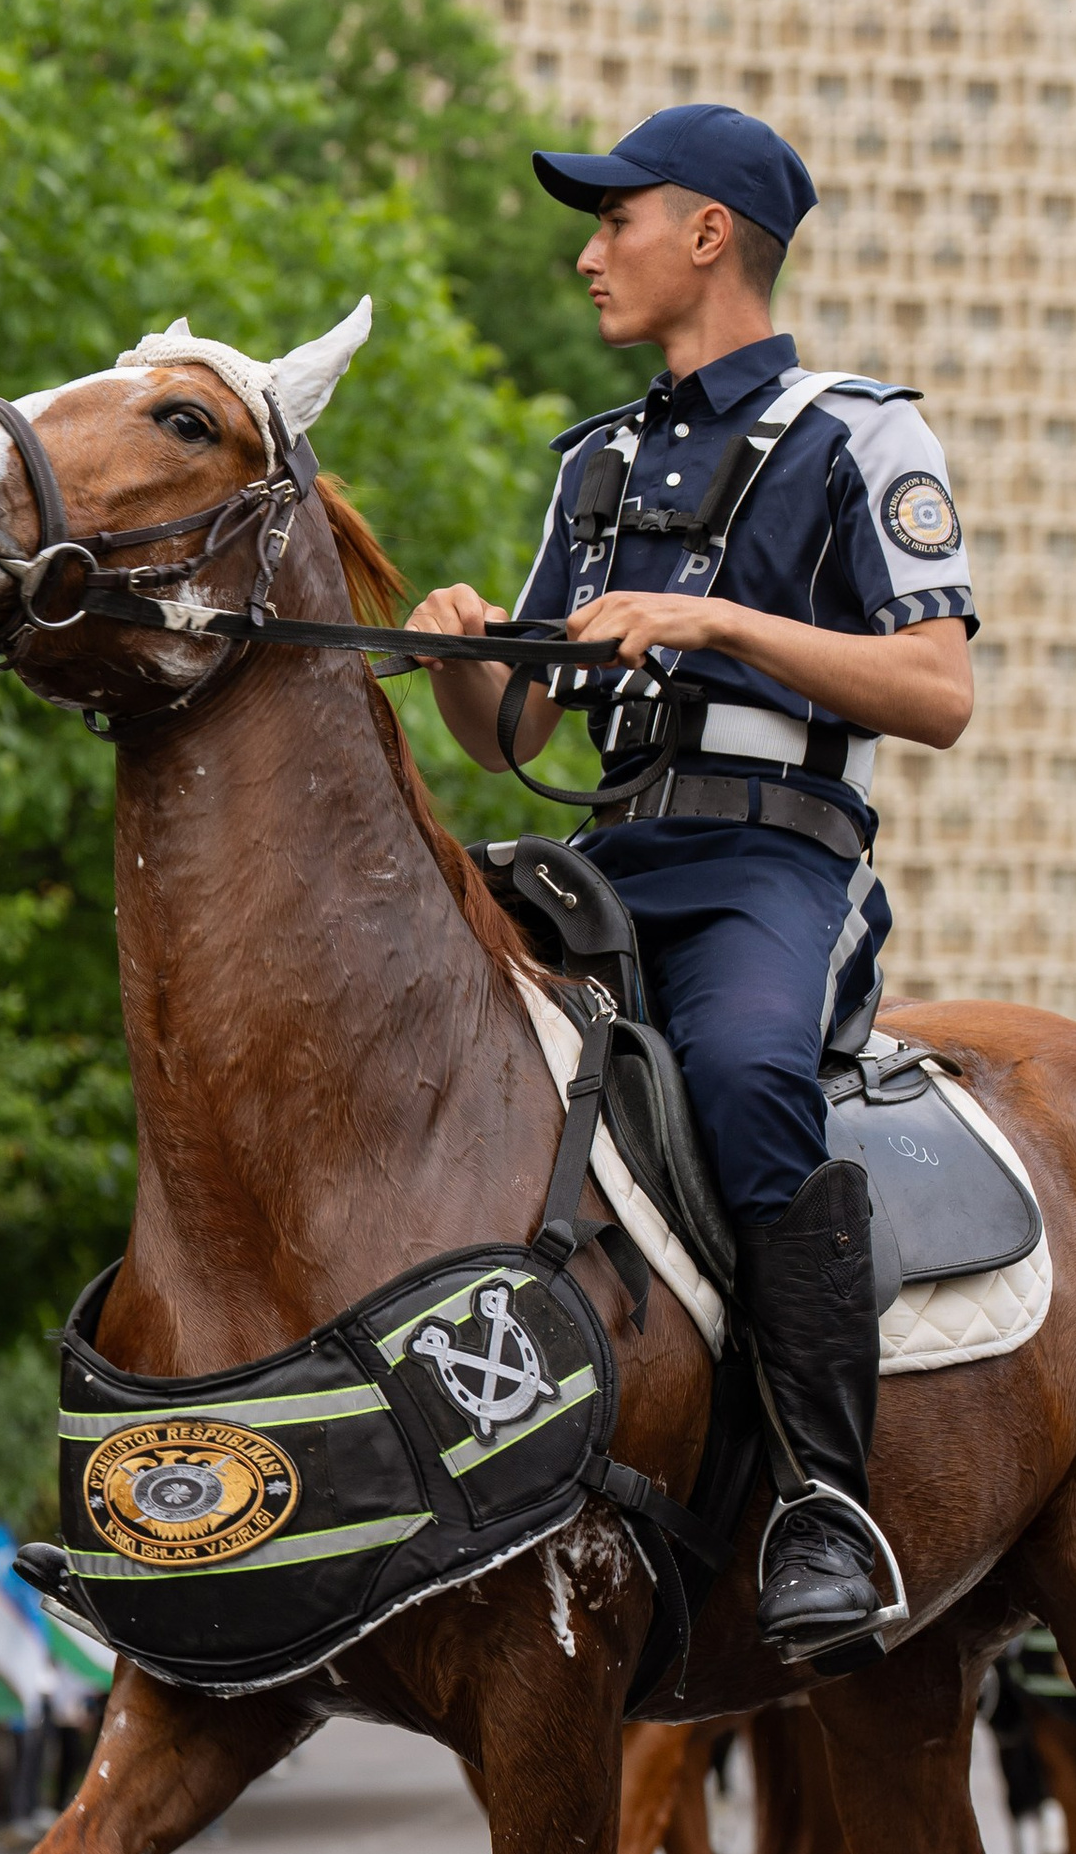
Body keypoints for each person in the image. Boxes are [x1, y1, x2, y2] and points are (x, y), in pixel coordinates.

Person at [409, 106, 973, 1661]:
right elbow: (516, 730)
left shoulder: (860, 435)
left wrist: (712, 624)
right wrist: (470, 662)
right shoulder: (592, 462)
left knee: (736, 1074)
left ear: (709, 233)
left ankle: (823, 1503)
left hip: (771, 866)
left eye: (617, 222)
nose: (590, 255)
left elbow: (937, 692)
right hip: (605, 858)